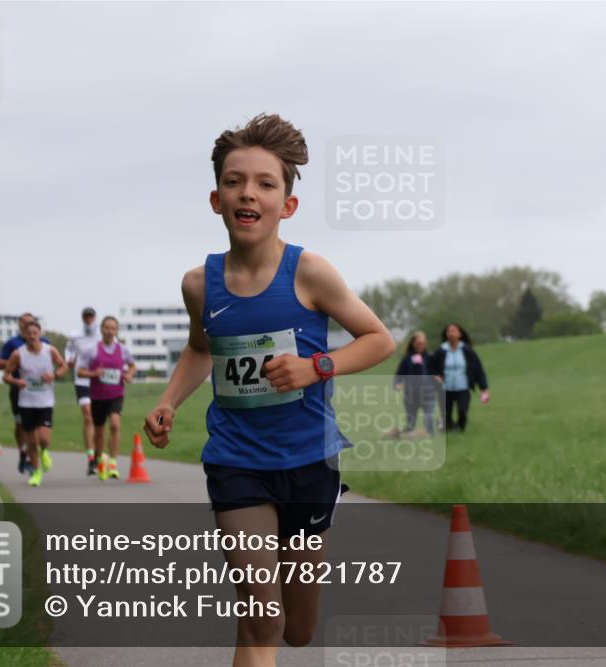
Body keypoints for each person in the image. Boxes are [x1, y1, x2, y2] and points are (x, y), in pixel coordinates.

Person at [143, 113, 395, 666]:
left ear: (288, 204)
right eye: (234, 182)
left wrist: (315, 368)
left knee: (298, 630)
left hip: (309, 461)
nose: (247, 193)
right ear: (216, 199)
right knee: (262, 615)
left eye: (265, 183)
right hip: (237, 462)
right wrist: (167, 402)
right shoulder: (198, 284)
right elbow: (200, 350)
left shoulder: (310, 273)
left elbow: (378, 340)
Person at [2, 320, 67, 487]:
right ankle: (36, 472)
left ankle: (45, 451)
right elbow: (6, 375)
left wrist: (54, 375)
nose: (32, 336)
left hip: (45, 401)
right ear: (24, 335)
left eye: (35, 333)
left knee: (44, 438)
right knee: (31, 440)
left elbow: (63, 366)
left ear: (40, 334)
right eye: (28, 333)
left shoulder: (49, 350)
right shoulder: (18, 353)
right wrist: (16, 382)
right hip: (26, 402)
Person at [78, 316, 136, 480]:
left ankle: (113, 463)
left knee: (116, 425)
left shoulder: (123, 350)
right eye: (107, 328)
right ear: (102, 329)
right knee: (99, 432)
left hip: (116, 395)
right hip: (97, 396)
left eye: (113, 328)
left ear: (116, 331)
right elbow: (80, 371)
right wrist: (93, 373)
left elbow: (132, 366)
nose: (110, 331)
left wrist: (129, 375)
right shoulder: (92, 350)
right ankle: (99, 458)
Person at [0, 313, 50, 474]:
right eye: (25, 323)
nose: (29, 326)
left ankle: (35, 452)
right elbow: (0, 362)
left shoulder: (45, 343)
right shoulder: (12, 343)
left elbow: (54, 362)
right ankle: (23, 452)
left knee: (40, 431)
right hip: (19, 388)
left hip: (41, 389)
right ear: (20, 324)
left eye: (32, 323)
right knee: (21, 424)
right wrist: (18, 362)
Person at [430, 323, 490, 433]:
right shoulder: (440, 351)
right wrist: (436, 375)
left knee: (463, 410)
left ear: (459, 334)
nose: (450, 333)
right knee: (446, 412)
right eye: (448, 331)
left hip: (463, 387)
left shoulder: (467, 351)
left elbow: (478, 369)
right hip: (445, 388)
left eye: (453, 331)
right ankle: (449, 427)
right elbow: (432, 367)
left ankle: (460, 428)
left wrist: (483, 388)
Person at [66, 306, 102, 474]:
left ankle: (98, 455)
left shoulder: (103, 334)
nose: (89, 320)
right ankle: (90, 457)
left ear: (95, 317)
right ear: (82, 318)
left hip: (100, 381)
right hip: (82, 379)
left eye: (91, 317)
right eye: (86, 317)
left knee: (98, 421)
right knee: (87, 416)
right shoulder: (75, 335)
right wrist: (69, 359)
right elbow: (69, 350)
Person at [391, 331, 437, 437]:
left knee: (428, 418)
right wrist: (397, 384)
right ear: (413, 344)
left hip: (428, 394)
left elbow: (437, 372)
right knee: (411, 423)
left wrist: (438, 377)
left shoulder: (430, 357)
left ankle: (430, 438)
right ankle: (403, 435)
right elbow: (399, 375)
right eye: (417, 343)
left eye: (422, 343)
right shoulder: (407, 359)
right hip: (411, 396)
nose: (419, 346)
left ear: (425, 344)